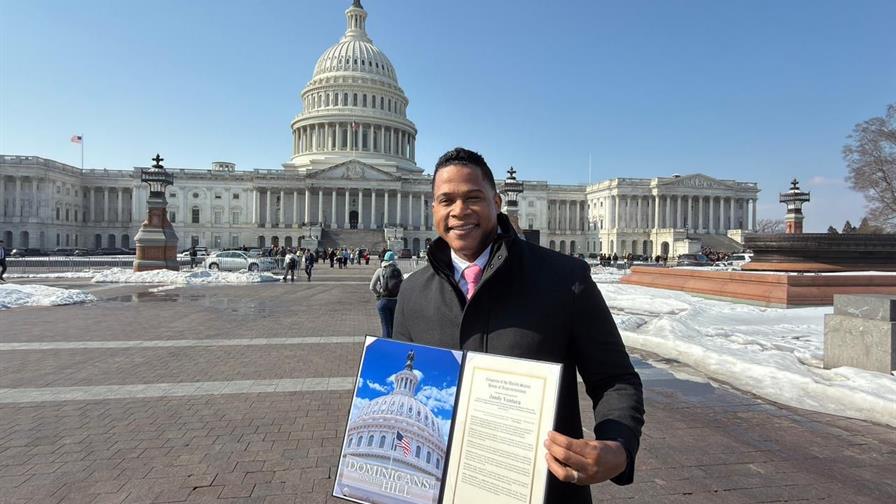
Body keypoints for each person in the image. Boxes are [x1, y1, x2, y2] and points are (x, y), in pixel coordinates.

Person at [393, 147, 644, 503]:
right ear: (433, 209)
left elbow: (614, 378)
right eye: (446, 200)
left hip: (545, 490)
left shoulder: (564, 278)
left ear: (497, 202)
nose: (459, 211)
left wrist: (618, 443)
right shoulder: (413, 292)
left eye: (473, 198)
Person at [369, 250, 402, 338]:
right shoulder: (397, 271)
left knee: (386, 327)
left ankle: (387, 344)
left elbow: (372, 287)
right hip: (396, 301)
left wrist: (378, 295)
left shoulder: (380, 271)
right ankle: (395, 342)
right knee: (394, 326)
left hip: (384, 301)